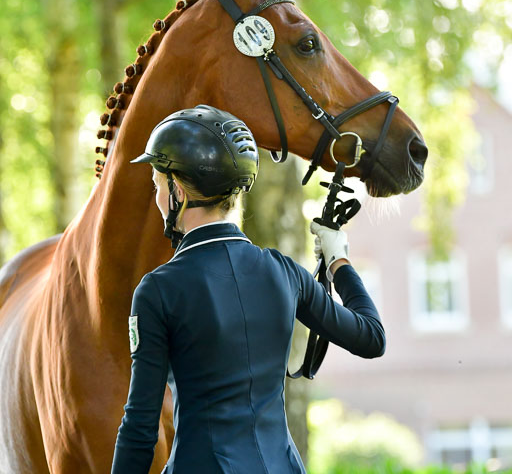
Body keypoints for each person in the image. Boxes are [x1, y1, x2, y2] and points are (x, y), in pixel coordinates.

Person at [111, 105, 385, 474]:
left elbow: (141, 428)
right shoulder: (285, 272)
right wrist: (339, 262)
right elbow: (371, 337)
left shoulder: (158, 290)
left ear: (177, 190)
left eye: (158, 186)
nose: (159, 198)